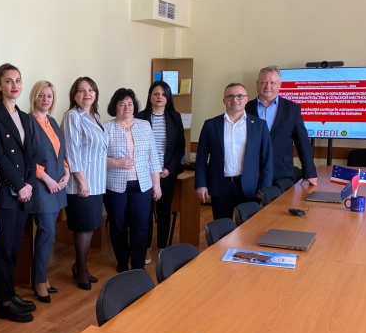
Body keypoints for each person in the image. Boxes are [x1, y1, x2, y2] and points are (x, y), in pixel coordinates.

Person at [0, 63, 37, 322]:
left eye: (17, 80)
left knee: (15, 247)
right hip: (6, 192)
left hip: (23, 192)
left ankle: (10, 293)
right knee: (3, 248)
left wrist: (29, 184)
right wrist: (20, 185)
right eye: (8, 80)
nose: (14, 85)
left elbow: (32, 155)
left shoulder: (25, 117)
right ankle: (3, 302)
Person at [195, 83, 273, 220]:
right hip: (220, 186)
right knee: (222, 226)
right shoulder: (210, 125)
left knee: (248, 228)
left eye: (240, 96)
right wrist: (201, 184)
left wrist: (264, 187)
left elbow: (266, 158)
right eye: (230, 96)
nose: (235, 99)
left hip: (249, 187)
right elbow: (201, 158)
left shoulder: (259, 125)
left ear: (246, 99)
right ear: (224, 100)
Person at [104, 89, 162, 272]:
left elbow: (153, 156)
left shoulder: (144, 126)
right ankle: (122, 261)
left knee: (141, 224)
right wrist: (115, 162)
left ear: (134, 106)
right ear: (115, 107)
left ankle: (138, 264)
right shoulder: (106, 128)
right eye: (121, 104)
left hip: (142, 184)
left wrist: (156, 184)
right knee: (118, 225)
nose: (126, 107)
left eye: (129, 104)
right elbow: (97, 158)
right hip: (114, 185)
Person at [62, 77, 107, 290]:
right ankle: (80, 269)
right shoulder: (72, 116)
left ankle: (80, 265)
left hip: (97, 182)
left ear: (95, 93)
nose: (86, 94)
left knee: (90, 227)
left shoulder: (95, 116)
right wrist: (82, 181)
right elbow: (71, 151)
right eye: (81, 90)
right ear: (74, 95)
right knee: (83, 227)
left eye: (90, 90)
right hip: (81, 183)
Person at [136, 81, 185, 263]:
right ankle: (145, 248)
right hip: (144, 173)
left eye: (163, 94)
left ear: (168, 98)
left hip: (166, 173)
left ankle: (162, 248)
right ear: (150, 96)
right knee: (145, 213)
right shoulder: (139, 117)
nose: (159, 97)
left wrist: (168, 168)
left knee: (164, 211)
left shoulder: (174, 117)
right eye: (156, 93)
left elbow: (180, 147)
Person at [28, 81, 69, 302]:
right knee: (46, 232)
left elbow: (60, 152)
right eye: (41, 95)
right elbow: (27, 158)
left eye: (50, 96)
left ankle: (42, 277)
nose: (46, 99)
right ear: (34, 97)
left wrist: (67, 172)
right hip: (41, 186)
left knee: (49, 233)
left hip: (57, 185)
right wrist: (46, 178)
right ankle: (38, 281)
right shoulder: (28, 122)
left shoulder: (51, 121)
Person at [246, 65, 317, 186]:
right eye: (264, 82)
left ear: (280, 85)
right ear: (257, 83)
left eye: (272, 83)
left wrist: (309, 172)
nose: (268, 86)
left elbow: (302, 142)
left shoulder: (292, 109)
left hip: (282, 172)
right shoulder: (245, 108)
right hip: (251, 173)